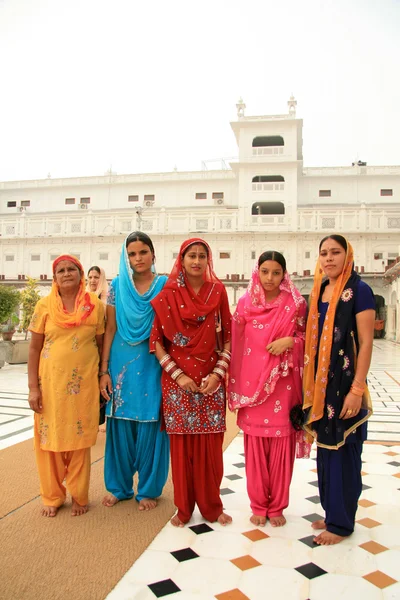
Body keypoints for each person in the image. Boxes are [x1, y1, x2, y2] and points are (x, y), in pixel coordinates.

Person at [150, 238, 232, 527]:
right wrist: (179, 375)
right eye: (191, 256)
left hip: (211, 379)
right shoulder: (168, 293)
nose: (196, 261)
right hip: (177, 382)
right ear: (181, 260)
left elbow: (229, 337)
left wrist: (218, 375)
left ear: (208, 260)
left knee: (210, 448)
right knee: (182, 450)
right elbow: (157, 342)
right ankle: (183, 509)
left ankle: (212, 507)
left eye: (201, 256)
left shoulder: (218, 291)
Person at [302, 235, 375, 545]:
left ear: (348, 255)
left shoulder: (360, 290)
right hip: (323, 388)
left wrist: (357, 389)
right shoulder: (319, 290)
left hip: (346, 386)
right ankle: (333, 511)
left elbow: (367, 342)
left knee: (346, 453)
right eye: (324, 253)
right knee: (327, 451)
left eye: (335, 252)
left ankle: (342, 524)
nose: (329, 258)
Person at [229, 251, 308, 527]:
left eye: (276, 272)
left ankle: (277, 507)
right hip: (253, 387)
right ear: (257, 272)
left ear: (284, 274)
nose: (270, 278)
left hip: (284, 386)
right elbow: (235, 341)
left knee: (281, 448)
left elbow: (306, 337)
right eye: (265, 272)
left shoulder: (295, 303)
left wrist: (291, 342)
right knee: (255, 449)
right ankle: (258, 504)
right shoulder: (245, 304)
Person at [28, 255, 105, 517]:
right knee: (49, 441)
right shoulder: (44, 306)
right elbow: (34, 348)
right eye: (60, 270)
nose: (66, 273)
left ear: (81, 273)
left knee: (80, 439)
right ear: (54, 277)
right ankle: (52, 496)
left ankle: (80, 496)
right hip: (49, 386)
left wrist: (103, 373)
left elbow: (101, 342)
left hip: (83, 386)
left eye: (72, 268)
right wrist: (33, 389)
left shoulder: (95, 305)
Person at [100, 232, 169, 511]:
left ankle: (149, 489)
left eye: (143, 252)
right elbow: (110, 329)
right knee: (120, 421)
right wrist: (103, 370)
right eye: (132, 254)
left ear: (153, 254)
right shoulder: (118, 286)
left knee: (151, 420)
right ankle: (119, 487)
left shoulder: (165, 285)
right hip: (120, 362)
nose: (138, 258)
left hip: (153, 360)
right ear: (126, 257)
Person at [87, 265, 109, 431]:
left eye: (96, 277)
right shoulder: (83, 298)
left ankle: (103, 418)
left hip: (104, 347)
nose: (93, 280)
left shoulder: (107, 300)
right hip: (87, 349)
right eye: (91, 277)